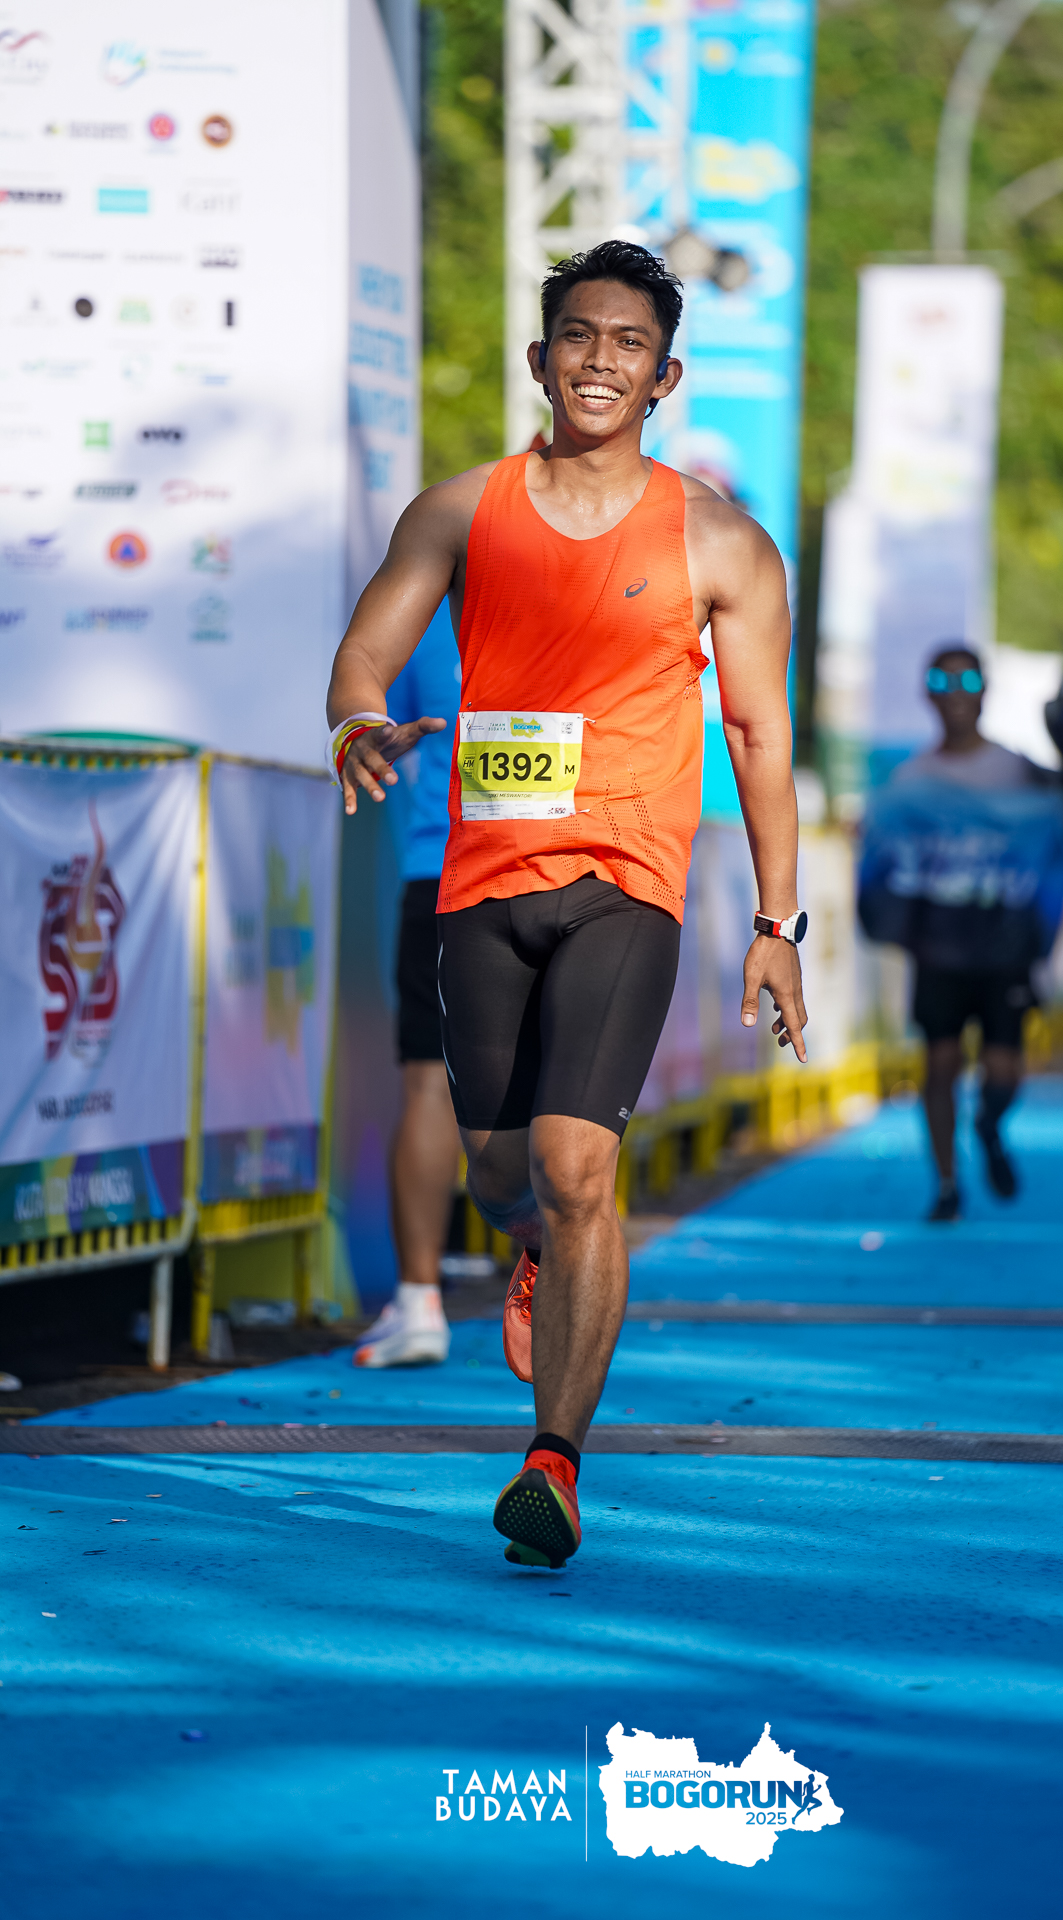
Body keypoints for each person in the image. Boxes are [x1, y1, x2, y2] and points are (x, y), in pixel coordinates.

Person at [325, 239, 807, 1568]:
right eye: (580, 337)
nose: (602, 361)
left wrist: (777, 928)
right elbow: (365, 651)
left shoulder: (720, 541)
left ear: (665, 379)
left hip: (626, 887)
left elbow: (759, 736)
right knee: (502, 1176)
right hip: (480, 884)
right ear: (540, 360)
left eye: (629, 344)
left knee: (580, 1166)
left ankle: (554, 1461)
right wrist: (356, 719)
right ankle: (537, 1249)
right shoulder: (459, 512)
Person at [861, 644, 1063, 1223]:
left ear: (985, 691)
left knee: (1003, 1071)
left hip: (1004, 944)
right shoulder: (911, 781)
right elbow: (881, 850)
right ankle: (946, 1185)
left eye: (967, 681)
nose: (956, 694)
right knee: (939, 1064)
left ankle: (989, 1125)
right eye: (943, 682)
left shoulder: (1019, 770)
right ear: (928, 693)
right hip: (939, 944)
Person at [352, 602, 462, 1368]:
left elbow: (370, 711)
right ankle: (559, 1282)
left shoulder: (435, 604)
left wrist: (365, 733)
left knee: (430, 1085)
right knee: (559, 1094)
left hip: (445, 868)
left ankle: (420, 1302)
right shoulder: (601, 583)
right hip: (568, 874)